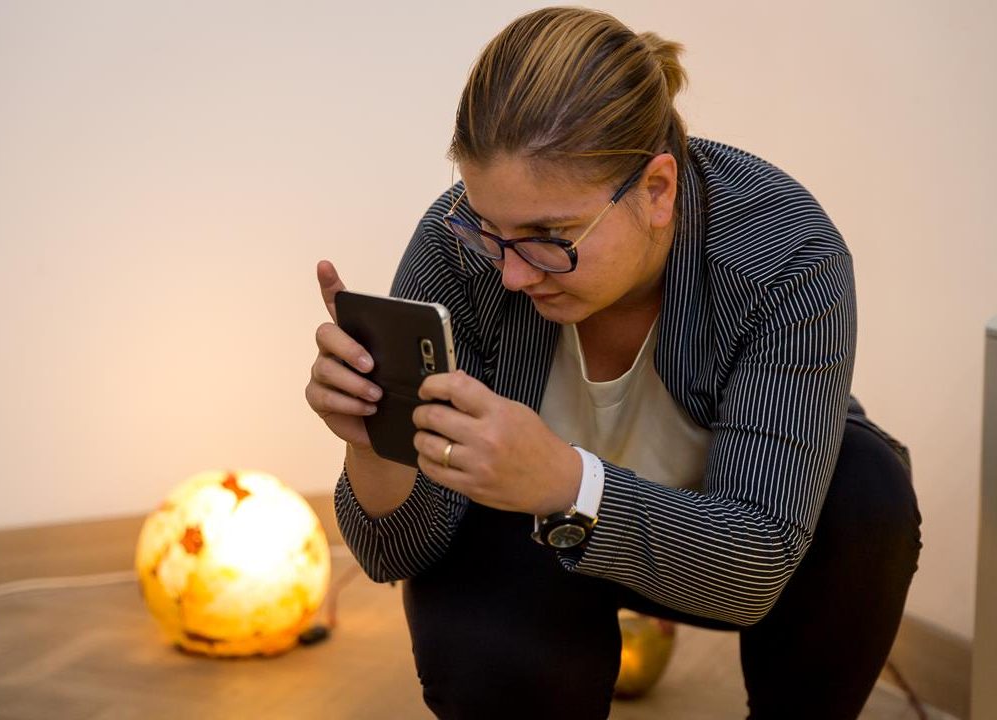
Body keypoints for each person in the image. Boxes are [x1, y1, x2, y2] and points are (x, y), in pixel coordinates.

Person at [306, 7, 922, 719]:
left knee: (866, 493)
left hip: (720, 542)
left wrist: (569, 484)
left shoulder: (784, 253)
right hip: (527, 538)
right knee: (485, 624)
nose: (512, 273)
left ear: (657, 191)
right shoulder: (460, 244)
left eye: (550, 235)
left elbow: (753, 570)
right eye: (490, 229)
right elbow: (395, 555)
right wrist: (372, 443)